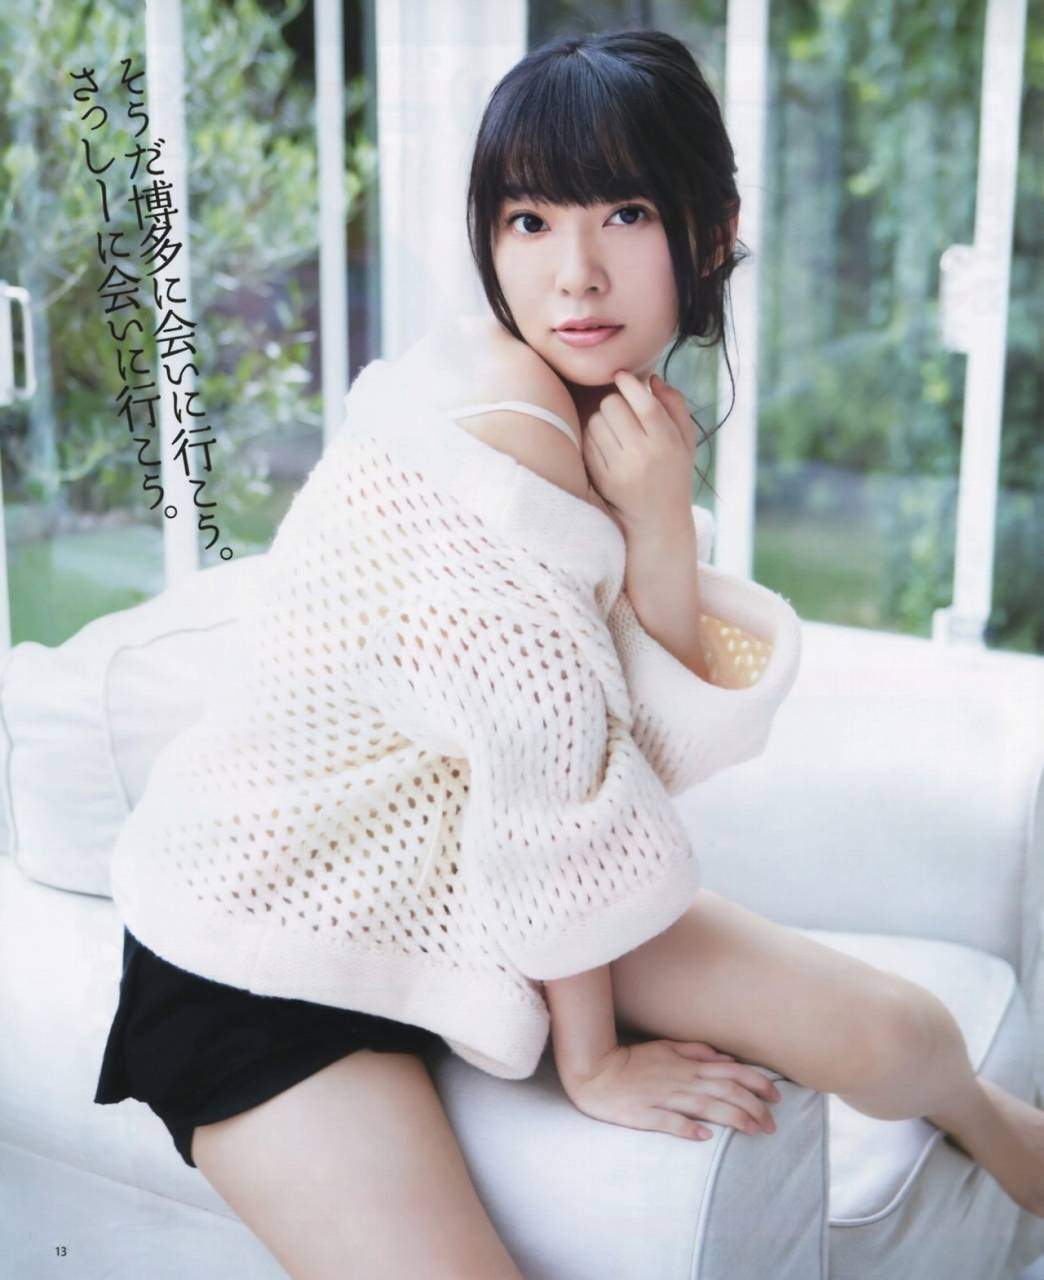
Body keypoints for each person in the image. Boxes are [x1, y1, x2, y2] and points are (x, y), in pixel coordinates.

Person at [93, 27, 1044, 1280]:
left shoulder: (593, 415)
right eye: (529, 221)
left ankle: (999, 1124)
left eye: (626, 212)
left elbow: (634, 736)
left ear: (711, 231)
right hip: (263, 943)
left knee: (889, 1029)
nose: (575, 274)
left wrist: (660, 523)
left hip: (463, 887)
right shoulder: (503, 435)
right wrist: (591, 1062)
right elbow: (560, 789)